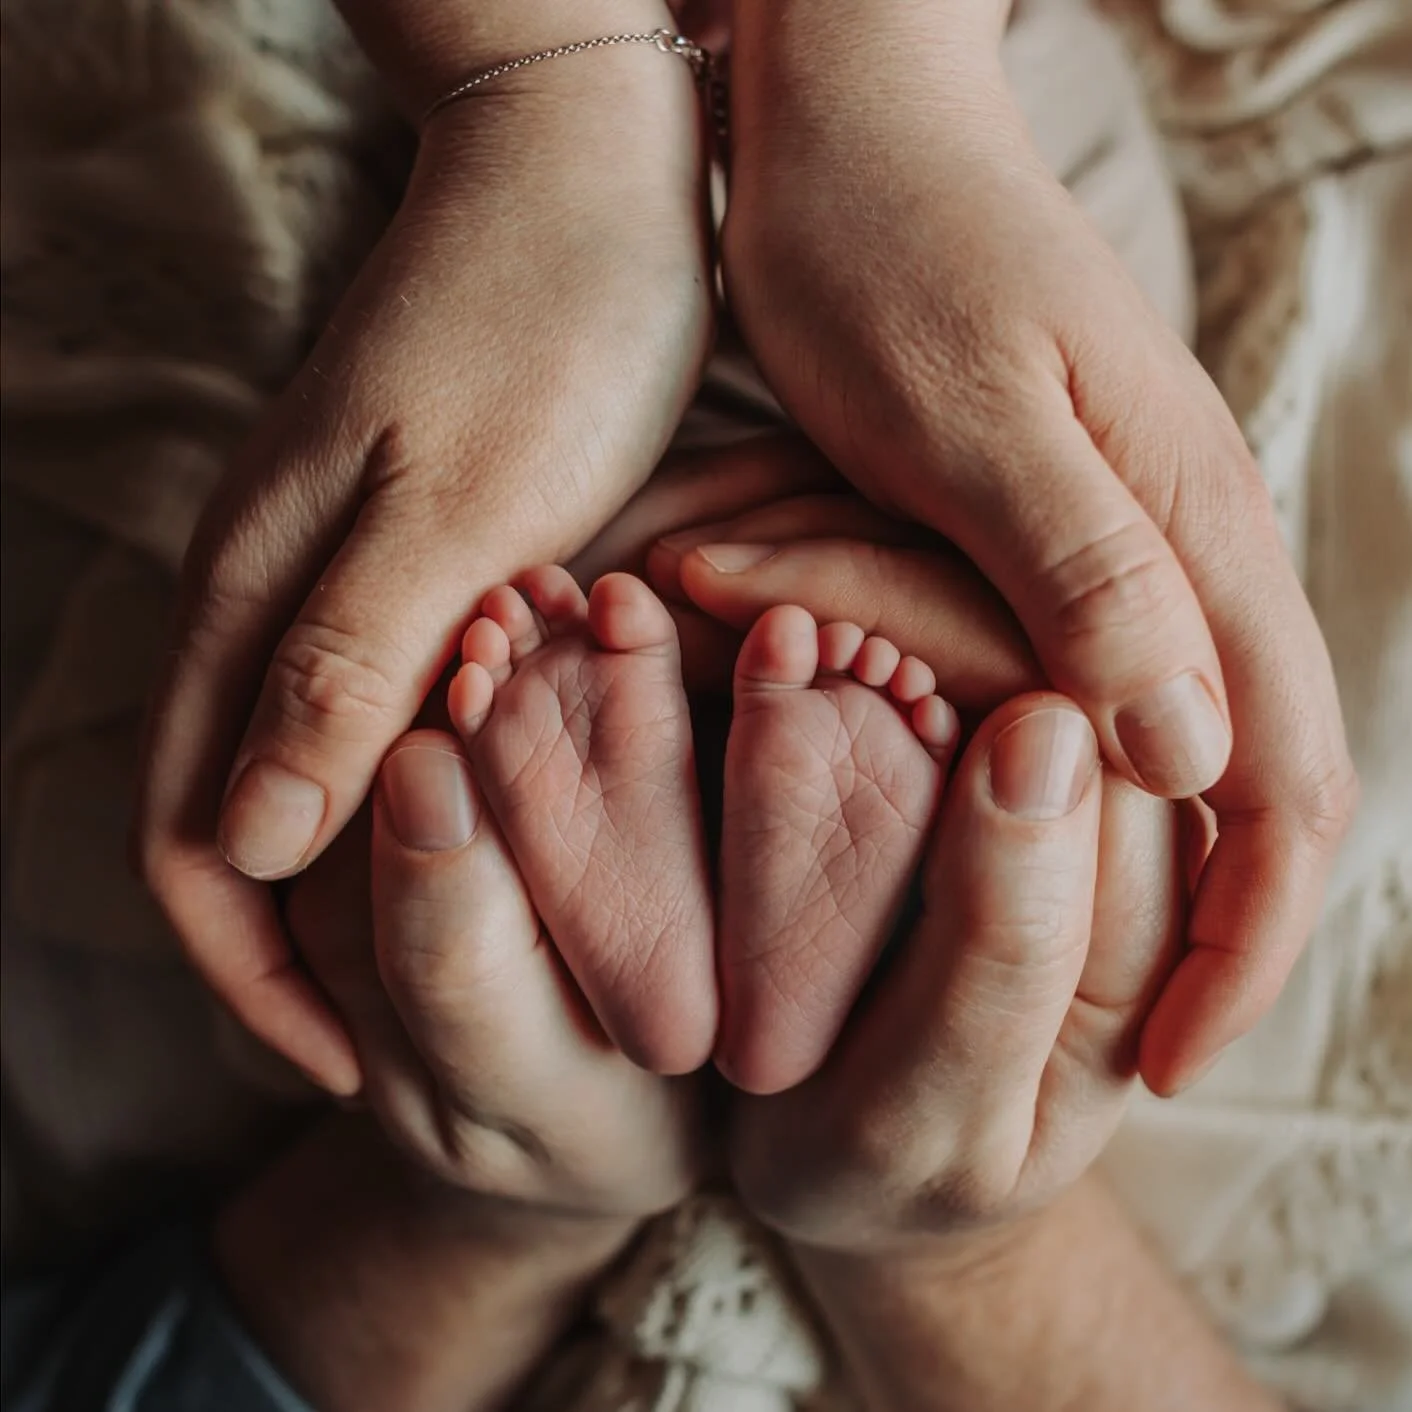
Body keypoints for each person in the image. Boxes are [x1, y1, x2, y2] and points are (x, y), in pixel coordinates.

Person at [133, 0, 1357, 1113]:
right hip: (890, 154)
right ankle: (838, 746)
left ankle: (619, 688)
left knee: (487, 550)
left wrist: (543, 88)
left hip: (677, 259)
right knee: (1040, 521)